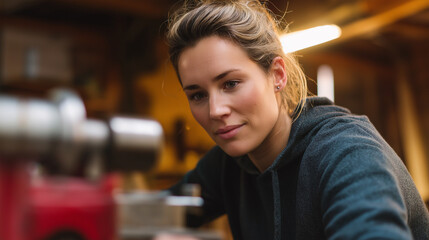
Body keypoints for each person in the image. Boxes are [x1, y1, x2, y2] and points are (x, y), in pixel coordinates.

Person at [165, 0, 429, 239]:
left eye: (231, 83)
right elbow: (149, 214)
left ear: (277, 75)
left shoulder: (347, 153)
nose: (215, 110)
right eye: (198, 95)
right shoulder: (228, 164)